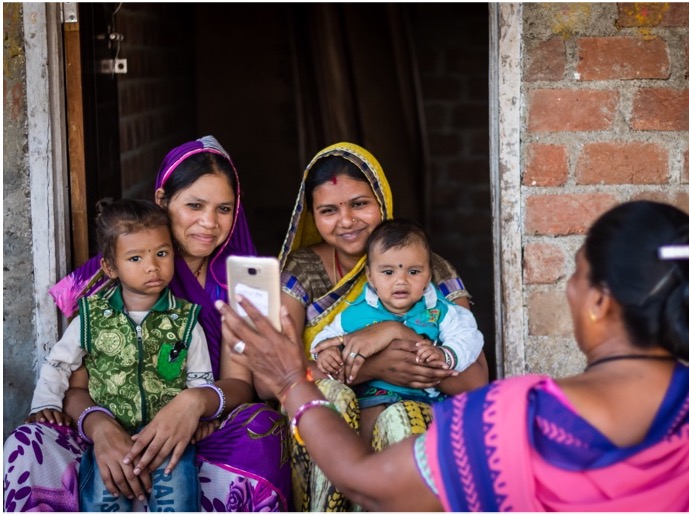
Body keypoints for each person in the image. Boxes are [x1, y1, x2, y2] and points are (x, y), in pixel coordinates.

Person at [220, 200, 689, 511]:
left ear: (600, 300)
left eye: (574, 276)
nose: (570, 292)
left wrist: (292, 379)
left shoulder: (513, 417)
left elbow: (364, 479)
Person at [4, 136, 291, 512]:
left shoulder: (238, 281)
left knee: (264, 430)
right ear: (162, 200)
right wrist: (101, 429)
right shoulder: (119, 272)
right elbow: (76, 385)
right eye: (194, 205)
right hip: (107, 430)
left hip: (200, 431)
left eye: (224, 208)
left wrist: (192, 404)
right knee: (26, 444)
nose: (209, 222)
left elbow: (241, 385)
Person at [277, 142, 489, 510]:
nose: (346, 221)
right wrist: (373, 366)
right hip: (335, 423)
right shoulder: (303, 271)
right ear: (312, 215)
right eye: (329, 210)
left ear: (381, 199)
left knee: (402, 417)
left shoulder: (429, 271)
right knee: (330, 399)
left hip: (413, 417)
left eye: (359, 204)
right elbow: (281, 372)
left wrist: (393, 333)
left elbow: (474, 381)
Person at [27, 198, 212, 511]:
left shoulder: (185, 319)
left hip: (164, 440)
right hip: (109, 435)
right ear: (110, 267)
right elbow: (59, 363)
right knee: (104, 497)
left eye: (162, 253)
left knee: (178, 498)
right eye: (136, 258)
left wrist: (201, 417)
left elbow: (200, 377)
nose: (152, 266)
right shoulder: (91, 317)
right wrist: (45, 403)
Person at [310, 218, 484, 444]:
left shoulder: (442, 312)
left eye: (413, 271)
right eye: (388, 272)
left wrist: (446, 355)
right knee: (364, 428)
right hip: (371, 398)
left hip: (427, 402)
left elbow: (470, 338)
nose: (401, 281)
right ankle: (360, 475)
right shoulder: (354, 313)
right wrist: (327, 354)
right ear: (370, 276)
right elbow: (324, 339)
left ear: (429, 276)